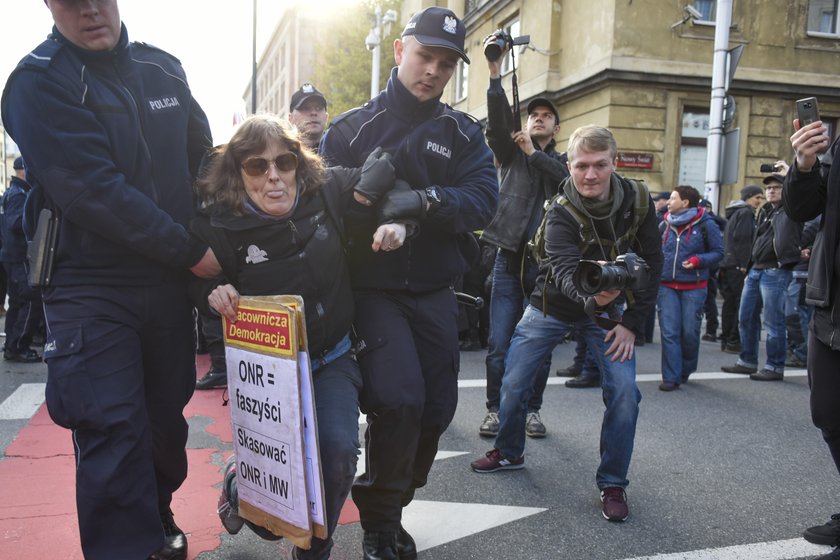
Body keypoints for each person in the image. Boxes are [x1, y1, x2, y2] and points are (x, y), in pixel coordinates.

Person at [0, 1, 220, 559]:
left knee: (164, 420)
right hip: (89, 284)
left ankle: (155, 507)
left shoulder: (164, 68)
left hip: (167, 284)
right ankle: (131, 546)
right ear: (49, 4)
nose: (90, 9)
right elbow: (93, 191)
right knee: (111, 425)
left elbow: (206, 168)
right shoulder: (36, 82)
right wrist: (194, 252)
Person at [319, 7, 498, 558]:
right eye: (425, 56)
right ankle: (378, 523)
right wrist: (370, 205)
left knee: (437, 410)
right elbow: (322, 210)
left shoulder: (465, 132)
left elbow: (483, 200)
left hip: (436, 292)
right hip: (373, 293)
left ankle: (391, 505)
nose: (433, 71)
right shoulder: (349, 129)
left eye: (446, 64)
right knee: (397, 402)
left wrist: (424, 203)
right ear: (400, 50)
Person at [190, 114, 403, 560]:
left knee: (340, 451)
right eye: (256, 166)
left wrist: (391, 212)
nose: (273, 176)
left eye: (284, 162)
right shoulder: (217, 226)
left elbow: (385, 166)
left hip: (331, 357)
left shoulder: (325, 189)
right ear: (236, 171)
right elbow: (190, 276)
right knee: (265, 515)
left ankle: (314, 550)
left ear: (297, 165)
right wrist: (213, 291)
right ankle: (238, 481)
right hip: (270, 372)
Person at [470, 125, 662, 523]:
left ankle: (613, 482)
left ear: (614, 161)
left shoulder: (638, 199)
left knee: (626, 394)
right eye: (581, 166)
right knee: (514, 381)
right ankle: (509, 450)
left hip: (610, 316)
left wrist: (631, 322)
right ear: (569, 165)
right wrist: (594, 298)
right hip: (551, 305)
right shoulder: (559, 209)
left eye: (599, 165)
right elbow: (562, 272)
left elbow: (654, 264)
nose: (590, 175)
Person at [477, 34, 569, 439]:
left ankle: (532, 410)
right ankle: (495, 410)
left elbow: (567, 184)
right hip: (508, 258)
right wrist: (495, 75)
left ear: (556, 127)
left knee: (540, 347)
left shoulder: (563, 163)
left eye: (547, 116)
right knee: (499, 344)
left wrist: (536, 155)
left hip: (546, 268)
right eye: (534, 114)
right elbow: (497, 124)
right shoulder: (510, 151)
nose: (539, 118)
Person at [785, 109, 840, 560]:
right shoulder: (837, 146)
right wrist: (804, 165)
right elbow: (803, 208)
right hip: (831, 305)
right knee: (828, 412)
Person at [721, 168, 803, 381]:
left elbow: (812, 224)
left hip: (776, 269)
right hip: (756, 269)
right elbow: (757, 242)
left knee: (773, 321)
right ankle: (747, 361)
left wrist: (801, 247)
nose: (771, 191)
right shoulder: (766, 211)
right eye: (768, 188)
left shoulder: (792, 209)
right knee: (746, 317)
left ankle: (774, 366)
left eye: (776, 188)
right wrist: (749, 268)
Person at [656, 186, 723, 391]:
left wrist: (698, 260)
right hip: (666, 286)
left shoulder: (706, 224)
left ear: (685, 203)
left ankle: (685, 370)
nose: (669, 201)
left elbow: (718, 252)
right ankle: (671, 377)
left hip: (694, 286)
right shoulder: (664, 225)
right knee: (669, 332)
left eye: (673, 198)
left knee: (690, 332)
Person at [1, 157, 43, 363]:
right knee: (30, 301)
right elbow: (15, 223)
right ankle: (19, 346)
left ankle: (12, 345)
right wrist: (35, 218)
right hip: (19, 257)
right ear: (23, 170)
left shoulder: (13, 192)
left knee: (17, 303)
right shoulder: (19, 194)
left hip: (12, 257)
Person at [718, 184, 764, 354]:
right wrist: (744, 265)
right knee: (738, 304)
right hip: (737, 266)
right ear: (748, 197)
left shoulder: (735, 212)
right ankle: (733, 340)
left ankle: (726, 339)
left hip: (728, 263)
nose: (759, 201)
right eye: (757, 197)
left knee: (729, 304)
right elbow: (744, 241)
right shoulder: (746, 213)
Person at [698, 199, 726, 343]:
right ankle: (711, 329)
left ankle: (711, 330)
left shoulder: (711, 223)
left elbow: (717, 249)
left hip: (709, 267)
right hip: (708, 266)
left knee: (709, 300)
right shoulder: (713, 222)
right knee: (709, 300)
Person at [289, 83, 329, 152]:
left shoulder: (341, 148)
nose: (313, 113)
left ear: (326, 117)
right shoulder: (283, 153)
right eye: (305, 108)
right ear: (291, 118)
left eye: (318, 108)